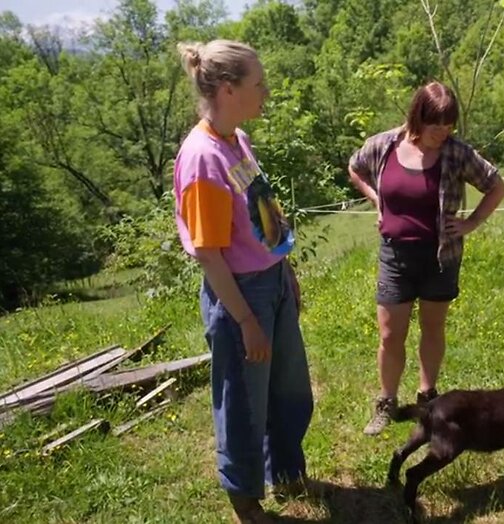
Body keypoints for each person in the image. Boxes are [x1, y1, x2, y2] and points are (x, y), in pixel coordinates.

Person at [174, 40, 313, 524]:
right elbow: (209, 255)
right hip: (240, 295)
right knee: (243, 403)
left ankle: (286, 471)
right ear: (228, 89)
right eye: (259, 84)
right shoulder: (203, 159)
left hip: (272, 281)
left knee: (289, 387)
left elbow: (262, 214)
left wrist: (285, 269)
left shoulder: (238, 140)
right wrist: (246, 321)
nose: (266, 92)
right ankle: (245, 501)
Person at [348, 81, 504, 436]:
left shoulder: (456, 153)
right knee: (390, 334)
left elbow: (497, 186)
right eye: (436, 125)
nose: (443, 132)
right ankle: (387, 402)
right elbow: (355, 167)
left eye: (449, 125)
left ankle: (427, 396)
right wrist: (377, 200)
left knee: (432, 328)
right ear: (418, 116)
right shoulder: (385, 145)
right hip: (395, 256)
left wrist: (471, 223)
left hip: (440, 257)